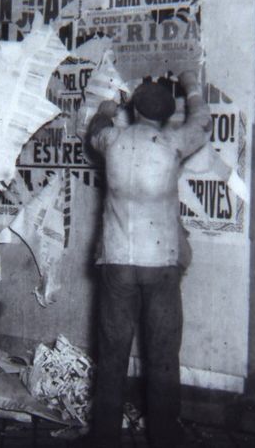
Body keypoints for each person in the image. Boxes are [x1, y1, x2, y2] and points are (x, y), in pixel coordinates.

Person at [86, 71, 211, 447]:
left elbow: (96, 125)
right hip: (161, 264)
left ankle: (103, 438)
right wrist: (190, 83)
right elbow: (202, 121)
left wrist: (109, 105)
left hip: (117, 262)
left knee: (111, 353)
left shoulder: (113, 140)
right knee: (162, 355)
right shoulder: (173, 142)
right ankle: (165, 437)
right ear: (165, 113)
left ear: (135, 108)